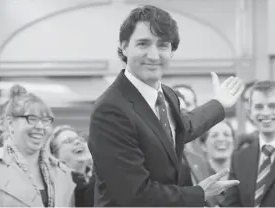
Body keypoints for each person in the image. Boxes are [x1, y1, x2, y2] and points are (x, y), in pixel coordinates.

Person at [88, 5, 244, 207]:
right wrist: (199, 194)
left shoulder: (167, 95)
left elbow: (184, 127)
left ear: (172, 51)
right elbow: (136, 194)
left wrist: (219, 103)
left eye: (162, 45)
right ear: (124, 46)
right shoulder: (110, 110)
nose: (153, 55)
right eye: (143, 44)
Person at [0, 85, 75, 207]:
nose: (40, 126)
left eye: (46, 120)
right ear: (10, 123)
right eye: (32, 118)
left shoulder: (62, 172)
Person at [49, 125, 94, 207]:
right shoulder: (57, 188)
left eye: (79, 139)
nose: (78, 142)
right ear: (55, 156)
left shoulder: (96, 176)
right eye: (68, 141)